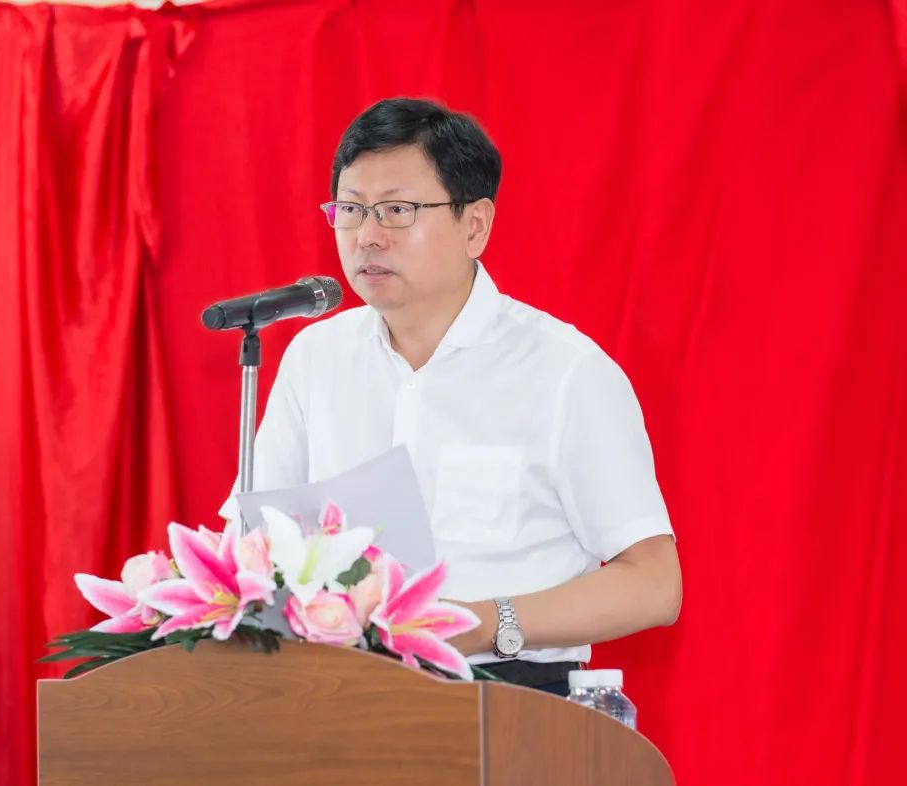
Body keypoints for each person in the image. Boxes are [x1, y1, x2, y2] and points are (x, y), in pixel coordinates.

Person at [225, 97, 681, 695]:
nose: (367, 236)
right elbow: (251, 538)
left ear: (475, 226)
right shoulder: (315, 358)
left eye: (397, 210)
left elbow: (653, 583)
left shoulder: (565, 371)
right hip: (335, 694)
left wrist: (488, 623)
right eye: (351, 210)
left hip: (508, 695)